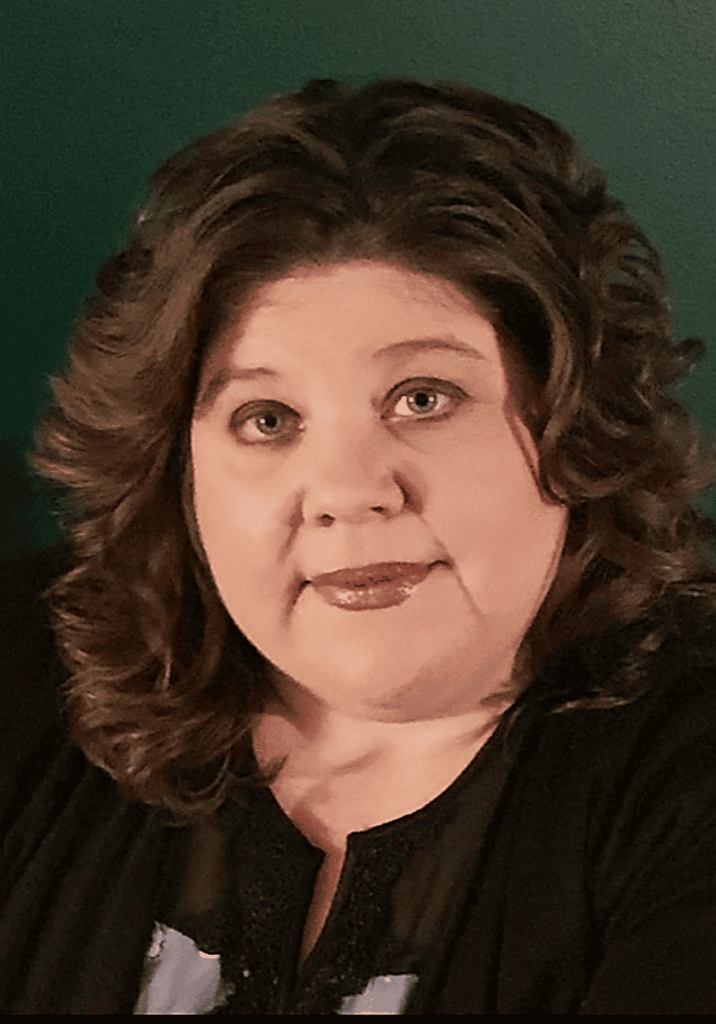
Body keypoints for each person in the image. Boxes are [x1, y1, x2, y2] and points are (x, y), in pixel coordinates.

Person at [2, 76, 716, 1015]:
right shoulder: (23, 665)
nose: (346, 492)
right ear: (181, 472)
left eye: (423, 398)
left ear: (570, 426)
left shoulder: (686, 771)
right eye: (267, 418)